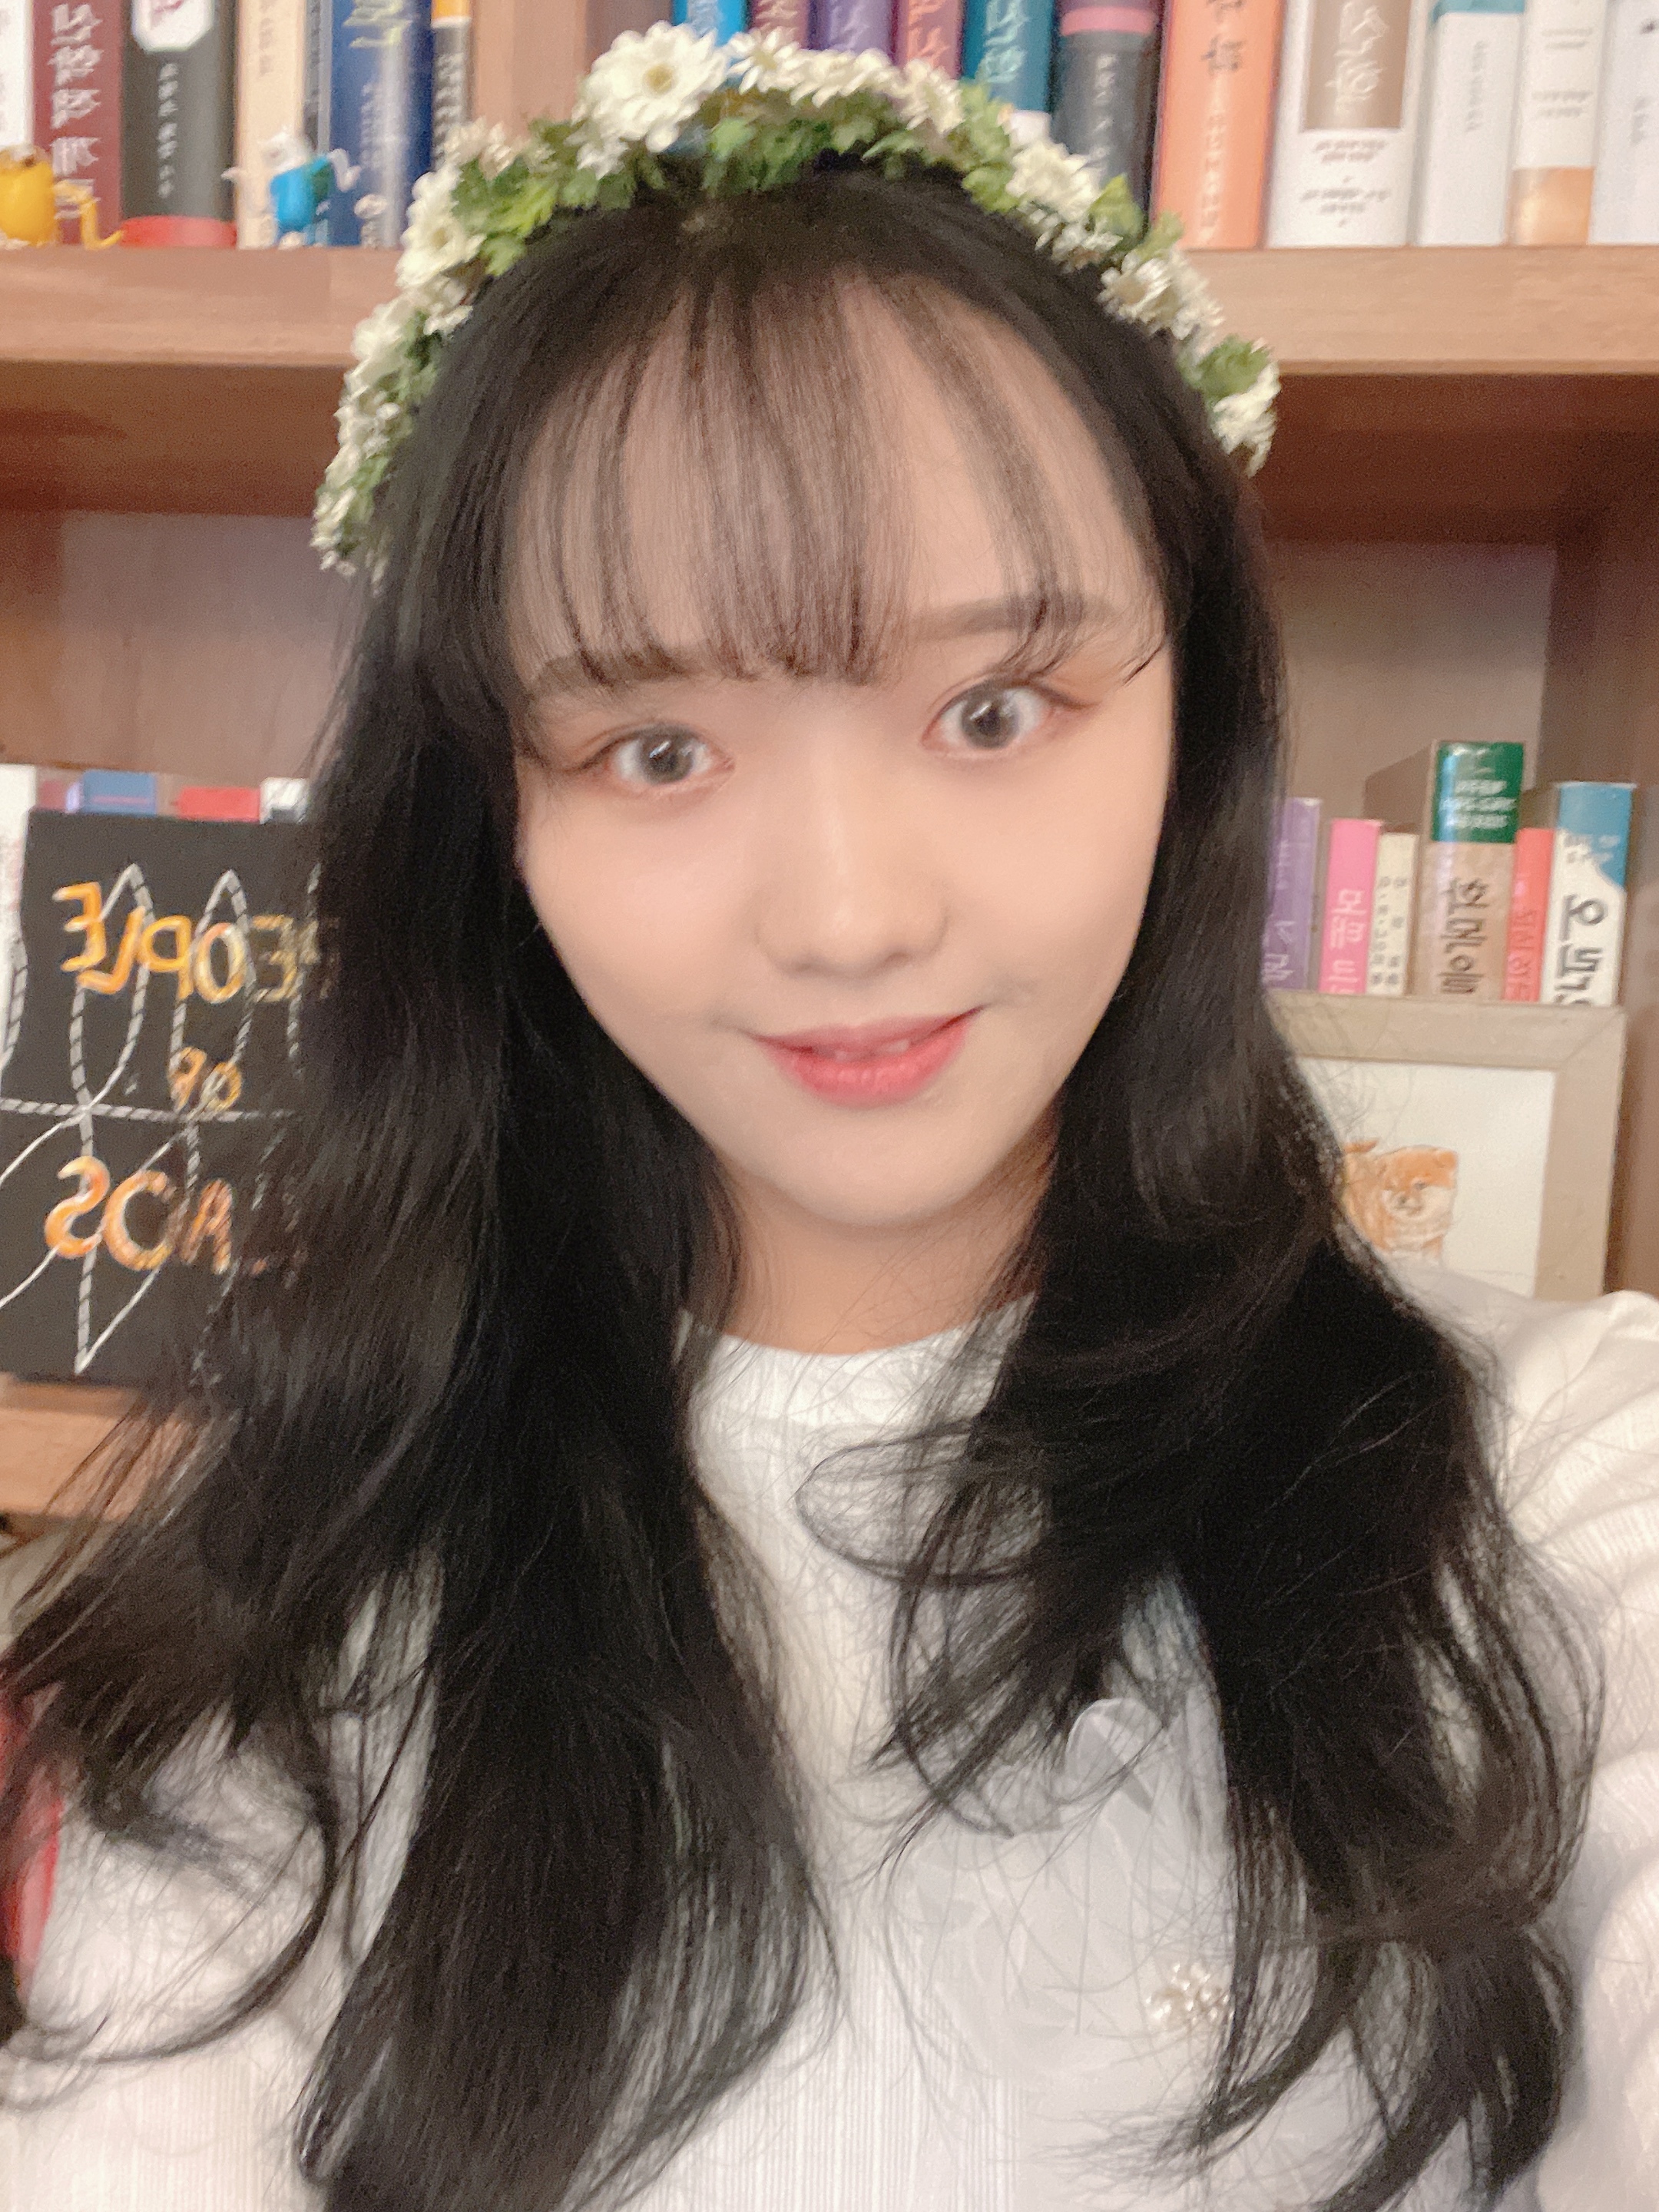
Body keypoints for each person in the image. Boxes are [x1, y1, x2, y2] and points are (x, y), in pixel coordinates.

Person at [2, 29, 1657, 2212]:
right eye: (658, 751)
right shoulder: (271, 1638)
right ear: (492, 815)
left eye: (995, 707)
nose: (853, 916)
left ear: (1197, 719)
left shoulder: (1552, 1481)